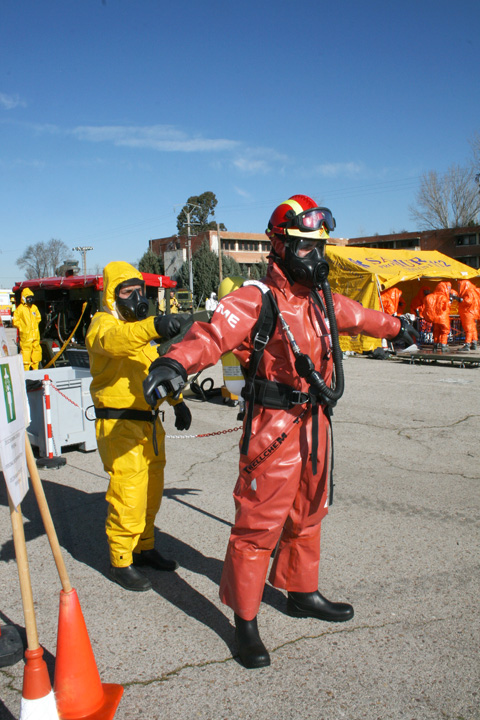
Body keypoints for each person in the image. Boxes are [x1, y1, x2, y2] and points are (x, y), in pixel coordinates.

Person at [143, 195, 418, 667]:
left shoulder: (321, 300)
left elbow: (359, 315)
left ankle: (300, 592)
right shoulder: (257, 298)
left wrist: (397, 328)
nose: (317, 257)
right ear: (280, 247)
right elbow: (212, 332)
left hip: (316, 425)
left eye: (321, 247)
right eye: (307, 247)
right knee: (257, 526)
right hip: (273, 426)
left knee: (309, 514)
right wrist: (174, 362)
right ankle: (245, 623)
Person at [86, 261, 192, 592]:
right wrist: (154, 325)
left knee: (150, 492)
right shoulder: (103, 326)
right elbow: (117, 341)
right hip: (120, 427)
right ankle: (121, 560)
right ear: (111, 296)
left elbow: (154, 370)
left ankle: (144, 548)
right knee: (128, 495)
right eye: (127, 292)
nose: (135, 298)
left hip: (149, 425)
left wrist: (178, 402)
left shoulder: (140, 338)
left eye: (139, 291)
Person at [420, 281, 457, 352]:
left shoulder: (430, 296)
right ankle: (443, 345)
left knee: (436, 331)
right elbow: (446, 307)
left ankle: (435, 344)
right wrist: (450, 301)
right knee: (444, 331)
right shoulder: (444, 298)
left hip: (434, 318)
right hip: (443, 318)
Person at [12, 287, 42, 370]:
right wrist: (22, 327)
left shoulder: (34, 308)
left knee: (36, 350)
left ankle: (35, 367)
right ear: (24, 298)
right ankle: (26, 369)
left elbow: (38, 318)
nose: (30, 300)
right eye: (29, 298)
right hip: (26, 335)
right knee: (26, 351)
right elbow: (15, 321)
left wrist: (35, 326)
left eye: (31, 298)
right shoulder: (20, 309)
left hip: (35, 335)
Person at [457, 279, 479, 351]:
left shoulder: (468, 291)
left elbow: (468, 301)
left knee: (468, 329)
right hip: (471, 312)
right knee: (472, 328)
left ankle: (467, 344)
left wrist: (459, 299)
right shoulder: (473, 290)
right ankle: (474, 343)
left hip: (468, 313)